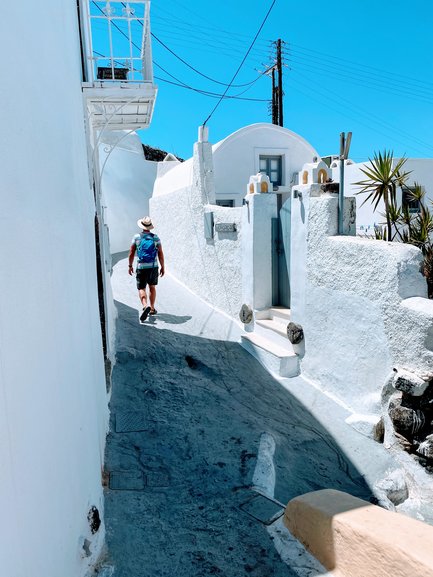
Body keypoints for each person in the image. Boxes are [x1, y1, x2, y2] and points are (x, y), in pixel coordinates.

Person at [128, 216, 165, 322]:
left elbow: (131, 252)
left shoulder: (136, 237)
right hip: (153, 266)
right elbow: (160, 253)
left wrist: (130, 266)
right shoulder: (155, 238)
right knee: (152, 287)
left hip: (141, 267)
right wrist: (163, 267)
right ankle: (152, 308)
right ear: (150, 227)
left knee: (141, 288)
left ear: (142, 226)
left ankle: (145, 306)